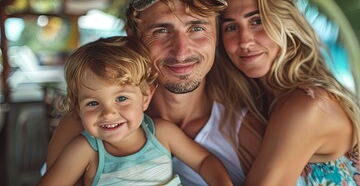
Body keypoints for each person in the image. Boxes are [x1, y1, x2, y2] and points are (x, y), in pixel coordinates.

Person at [45, 0, 259, 185]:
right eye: (162, 30)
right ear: (133, 38)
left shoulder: (243, 129)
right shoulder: (84, 125)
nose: (181, 50)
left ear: (217, 35)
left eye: (197, 28)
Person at [215, 0, 360, 185]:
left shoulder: (307, 105)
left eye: (257, 21)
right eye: (231, 27)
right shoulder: (264, 104)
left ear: (284, 21)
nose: (244, 41)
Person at [39, 36, 233, 186]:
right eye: (92, 103)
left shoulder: (162, 134)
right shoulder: (84, 150)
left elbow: (204, 161)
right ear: (78, 109)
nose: (108, 113)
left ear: (146, 97)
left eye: (121, 99)